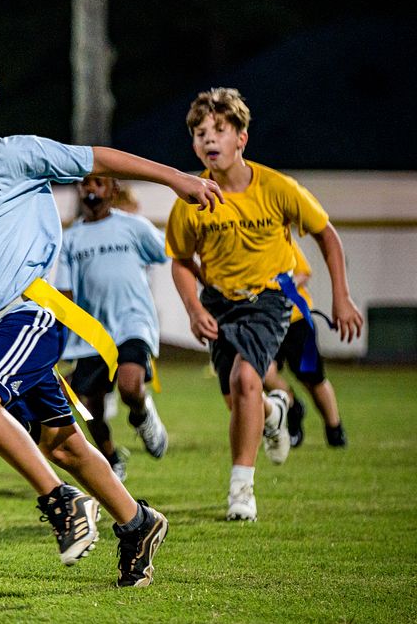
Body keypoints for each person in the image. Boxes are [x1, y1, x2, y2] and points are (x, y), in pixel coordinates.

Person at [0, 58, 223, 586]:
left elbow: (101, 158)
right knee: (64, 444)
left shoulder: (19, 155)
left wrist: (175, 179)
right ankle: (138, 523)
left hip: (29, 313)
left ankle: (62, 502)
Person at [166, 87, 362, 522]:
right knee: (240, 401)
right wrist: (194, 309)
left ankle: (241, 493)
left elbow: (326, 235)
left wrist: (342, 297)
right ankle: (277, 410)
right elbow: (180, 260)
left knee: (246, 379)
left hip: (269, 300)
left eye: (220, 130)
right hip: (218, 303)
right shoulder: (192, 198)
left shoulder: (277, 187)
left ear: (242, 138)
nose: (209, 139)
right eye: (200, 133)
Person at [55, 175, 169, 482]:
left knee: (130, 385)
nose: (91, 189)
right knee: (91, 407)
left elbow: (168, 251)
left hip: (133, 322)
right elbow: (64, 292)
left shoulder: (133, 226)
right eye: (85, 184)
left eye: (98, 183)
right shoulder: (71, 238)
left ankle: (142, 415)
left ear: (113, 189)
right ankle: (110, 457)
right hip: (93, 333)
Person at [263, 239, 348, 448]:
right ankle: (292, 407)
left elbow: (304, 273)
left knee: (313, 379)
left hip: (296, 322)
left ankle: (334, 429)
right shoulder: (244, 245)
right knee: (264, 374)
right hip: (266, 324)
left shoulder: (281, 240)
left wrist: (276, 288)